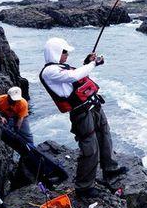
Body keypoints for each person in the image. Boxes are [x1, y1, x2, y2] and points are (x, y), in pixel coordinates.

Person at [39, 37, 126, 198]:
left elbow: (75, 75)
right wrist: (93, 64)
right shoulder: (49, 71)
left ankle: (110, 169)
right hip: (81, 113)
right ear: (55, 53)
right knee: (90, 148)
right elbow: (72, 77)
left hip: (94, 106)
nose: (66, 55)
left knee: (105, 137)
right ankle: (84, 186)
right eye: (64, 52)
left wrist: (87, 62)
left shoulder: (61, 67)